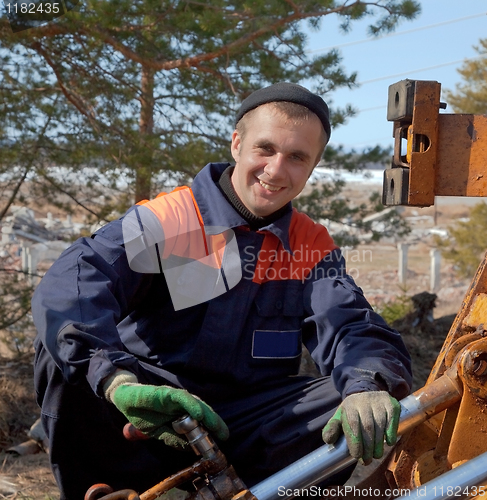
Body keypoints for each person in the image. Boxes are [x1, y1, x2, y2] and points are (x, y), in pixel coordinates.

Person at [32, 82, 412, 500]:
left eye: (297, 157)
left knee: (351, 396)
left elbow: (352, 326)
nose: (276, 170)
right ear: (237, 144)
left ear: (312, 166)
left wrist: (366, 382)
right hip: (149, 413)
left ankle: (251, 493)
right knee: (64, 346)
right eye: (265, 149)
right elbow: (77, 282)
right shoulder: (170, 219)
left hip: (244, 428)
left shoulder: (310, 244)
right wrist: (117, 380)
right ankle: (106, 490)